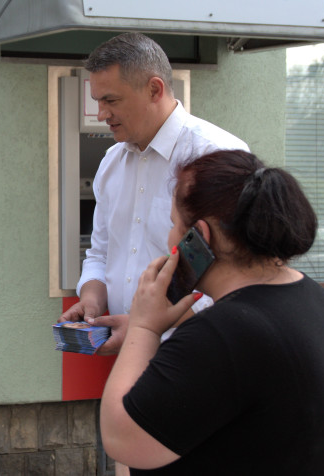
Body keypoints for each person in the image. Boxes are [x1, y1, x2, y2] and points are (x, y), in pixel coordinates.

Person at [100, 149, 324, 474]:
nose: (168, 238)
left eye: (172, 225)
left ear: (199, 235)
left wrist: (143, 328)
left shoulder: (222, 334)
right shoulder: (319, 301)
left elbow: (121, 438)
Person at [59, 32, 249, 354]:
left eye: (111, 100)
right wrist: (91, 300)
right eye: (98, 102)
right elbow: (101, 253)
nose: (101, 115)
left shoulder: (217, 156)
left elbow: (235, 273)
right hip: (131, 351)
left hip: (199, 351)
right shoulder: (111, 163)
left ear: (154, 89)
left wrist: (145, 326)